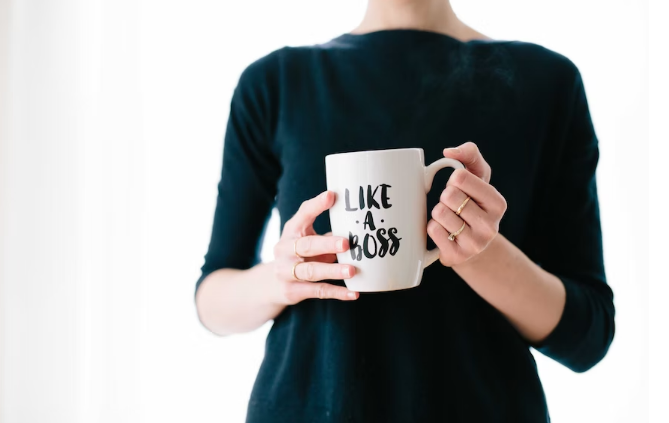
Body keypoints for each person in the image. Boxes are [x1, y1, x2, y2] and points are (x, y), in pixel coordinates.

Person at [194, 0, 615, 421]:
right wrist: (282, 278)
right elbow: (212, 299)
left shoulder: (547, 83)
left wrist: (481, 254)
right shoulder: (275, 84)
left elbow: (587, 336)